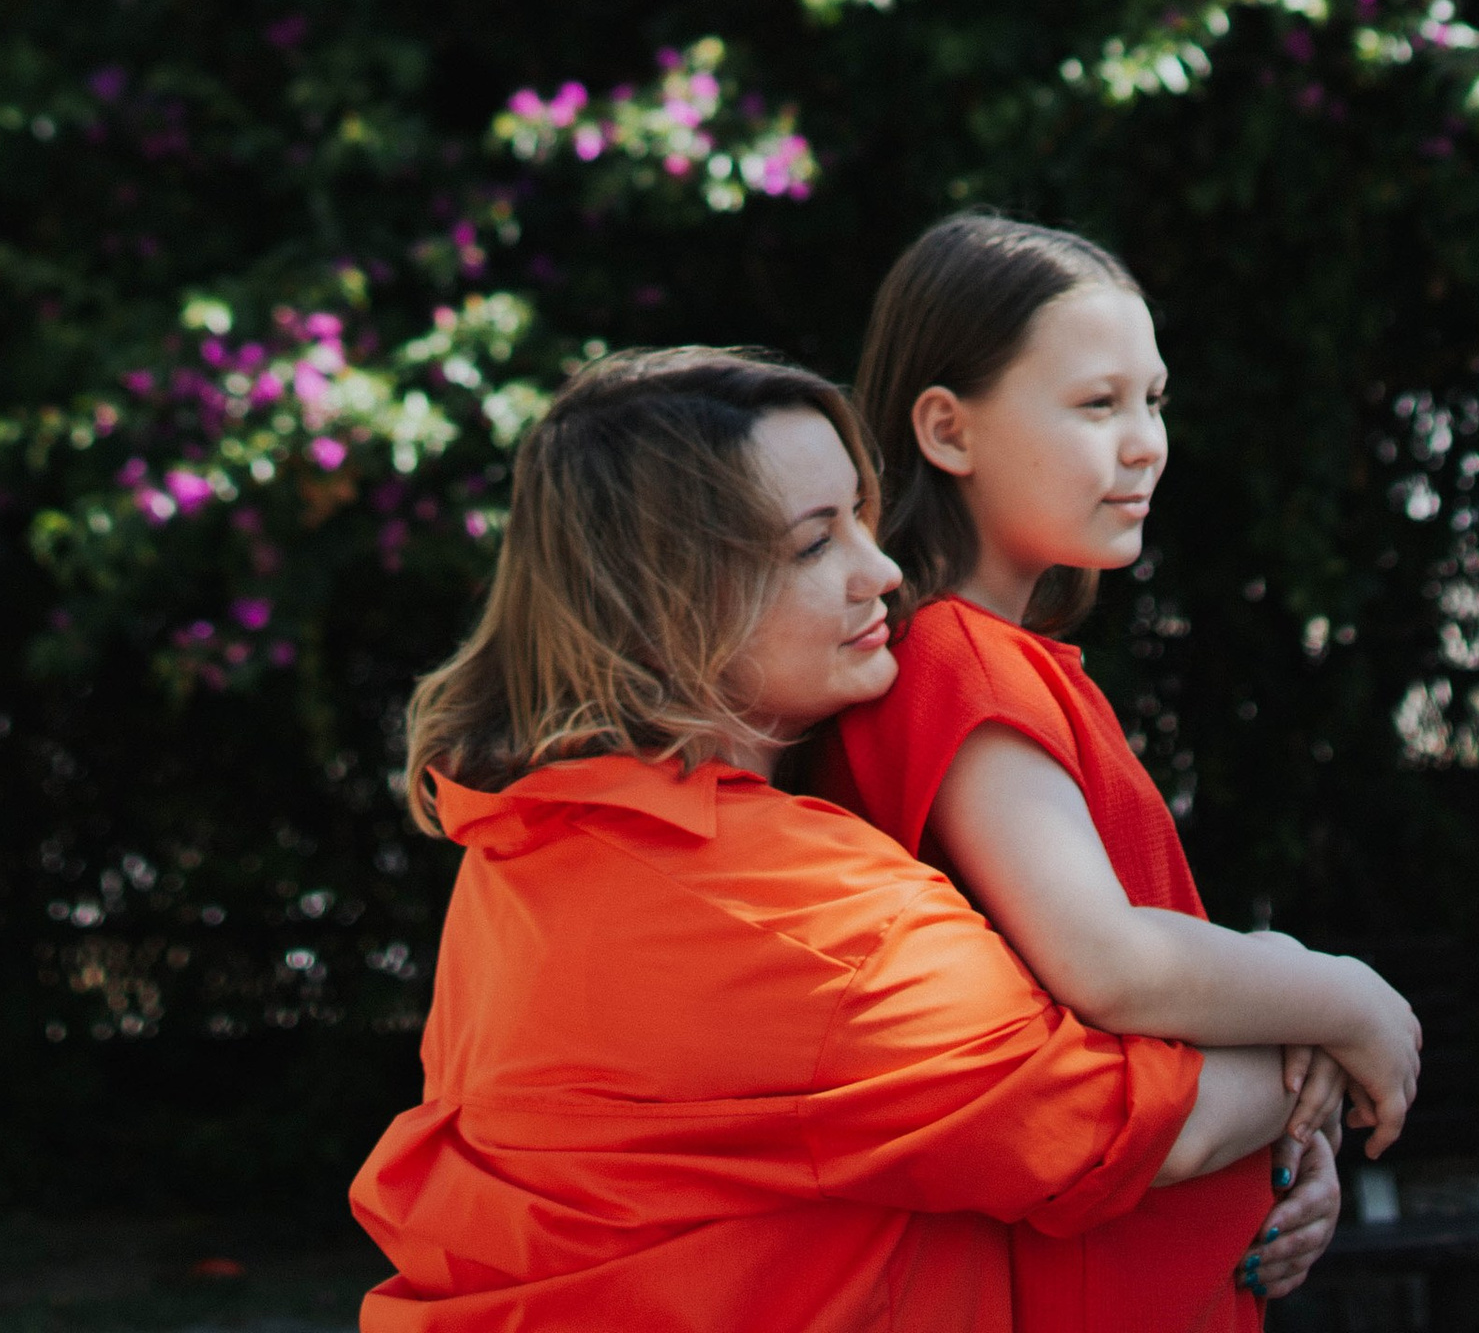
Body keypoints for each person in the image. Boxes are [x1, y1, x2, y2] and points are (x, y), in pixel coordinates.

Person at [351, 343, 1304, 1331]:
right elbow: (1121, 1129)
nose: (880, 570)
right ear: (666, 604)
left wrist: (1277, 1151)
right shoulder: (785, 910)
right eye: (813, 544)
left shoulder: (530, 838)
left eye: (860, 514)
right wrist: (1328, 1034)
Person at [819, 212, 1423, 1333]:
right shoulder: (952, 659)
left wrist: (1285, 1129)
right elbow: (1107, 962)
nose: (1144, 441)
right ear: (947, 430)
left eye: (1153, 401)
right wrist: (1347, 1000)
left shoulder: (1007, 661)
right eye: (1097, 405)